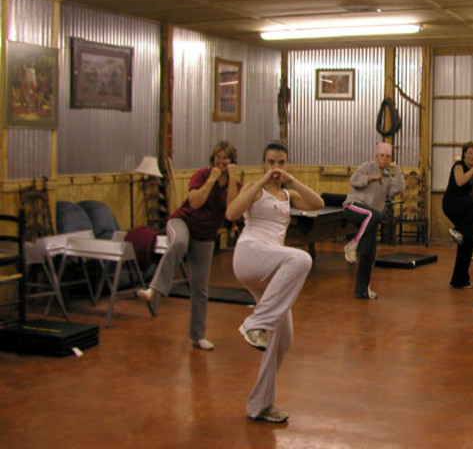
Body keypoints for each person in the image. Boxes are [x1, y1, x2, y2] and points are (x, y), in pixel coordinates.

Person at [225, 140, 324, 423]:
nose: (276, 168)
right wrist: (261, 182)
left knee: (283, 338)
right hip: (249, 256)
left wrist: (292, 181)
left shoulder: (288, 195)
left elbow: (316, 203)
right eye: (271, 163)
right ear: (263, 164)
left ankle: (261, 405)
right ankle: (254, 324)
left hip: (271, 267)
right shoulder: (253, 190)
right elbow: (231, 214)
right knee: (301, 259)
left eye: (281, 163)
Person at [137, 141, 240, 351]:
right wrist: (211, 180)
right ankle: (154, 289)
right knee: (180, 243)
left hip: (205, 235)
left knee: (200, 288)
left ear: (232, 162)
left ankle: (198, 336)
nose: (221, 161)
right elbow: (194, 202)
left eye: (225, 158)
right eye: (218, 157)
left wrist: (232, 179)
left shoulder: (233, 183)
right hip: (182, 222)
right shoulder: (202, 175)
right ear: (213, 159)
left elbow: (232, 210)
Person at [342, 142, 406, 299]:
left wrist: (396, 170)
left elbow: (399, 189)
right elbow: (354, 180)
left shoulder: (386, 178)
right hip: (354, 207)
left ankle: (362, 290)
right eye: (381, 156)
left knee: (370, 253)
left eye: (387, 156)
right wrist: (371, 177)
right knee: (375, 216)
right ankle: (352, 244)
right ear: (376, 157)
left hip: (370, 217)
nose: (384, 159)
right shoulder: (368, 167)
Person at [442, 142, 473, 289]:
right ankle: (458, 229)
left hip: (466, 207)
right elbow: (460, 182)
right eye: (470, 153)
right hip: (452, 203)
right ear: (464, 153)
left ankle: (460, 280)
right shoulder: (459, 166)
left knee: (468, 242)